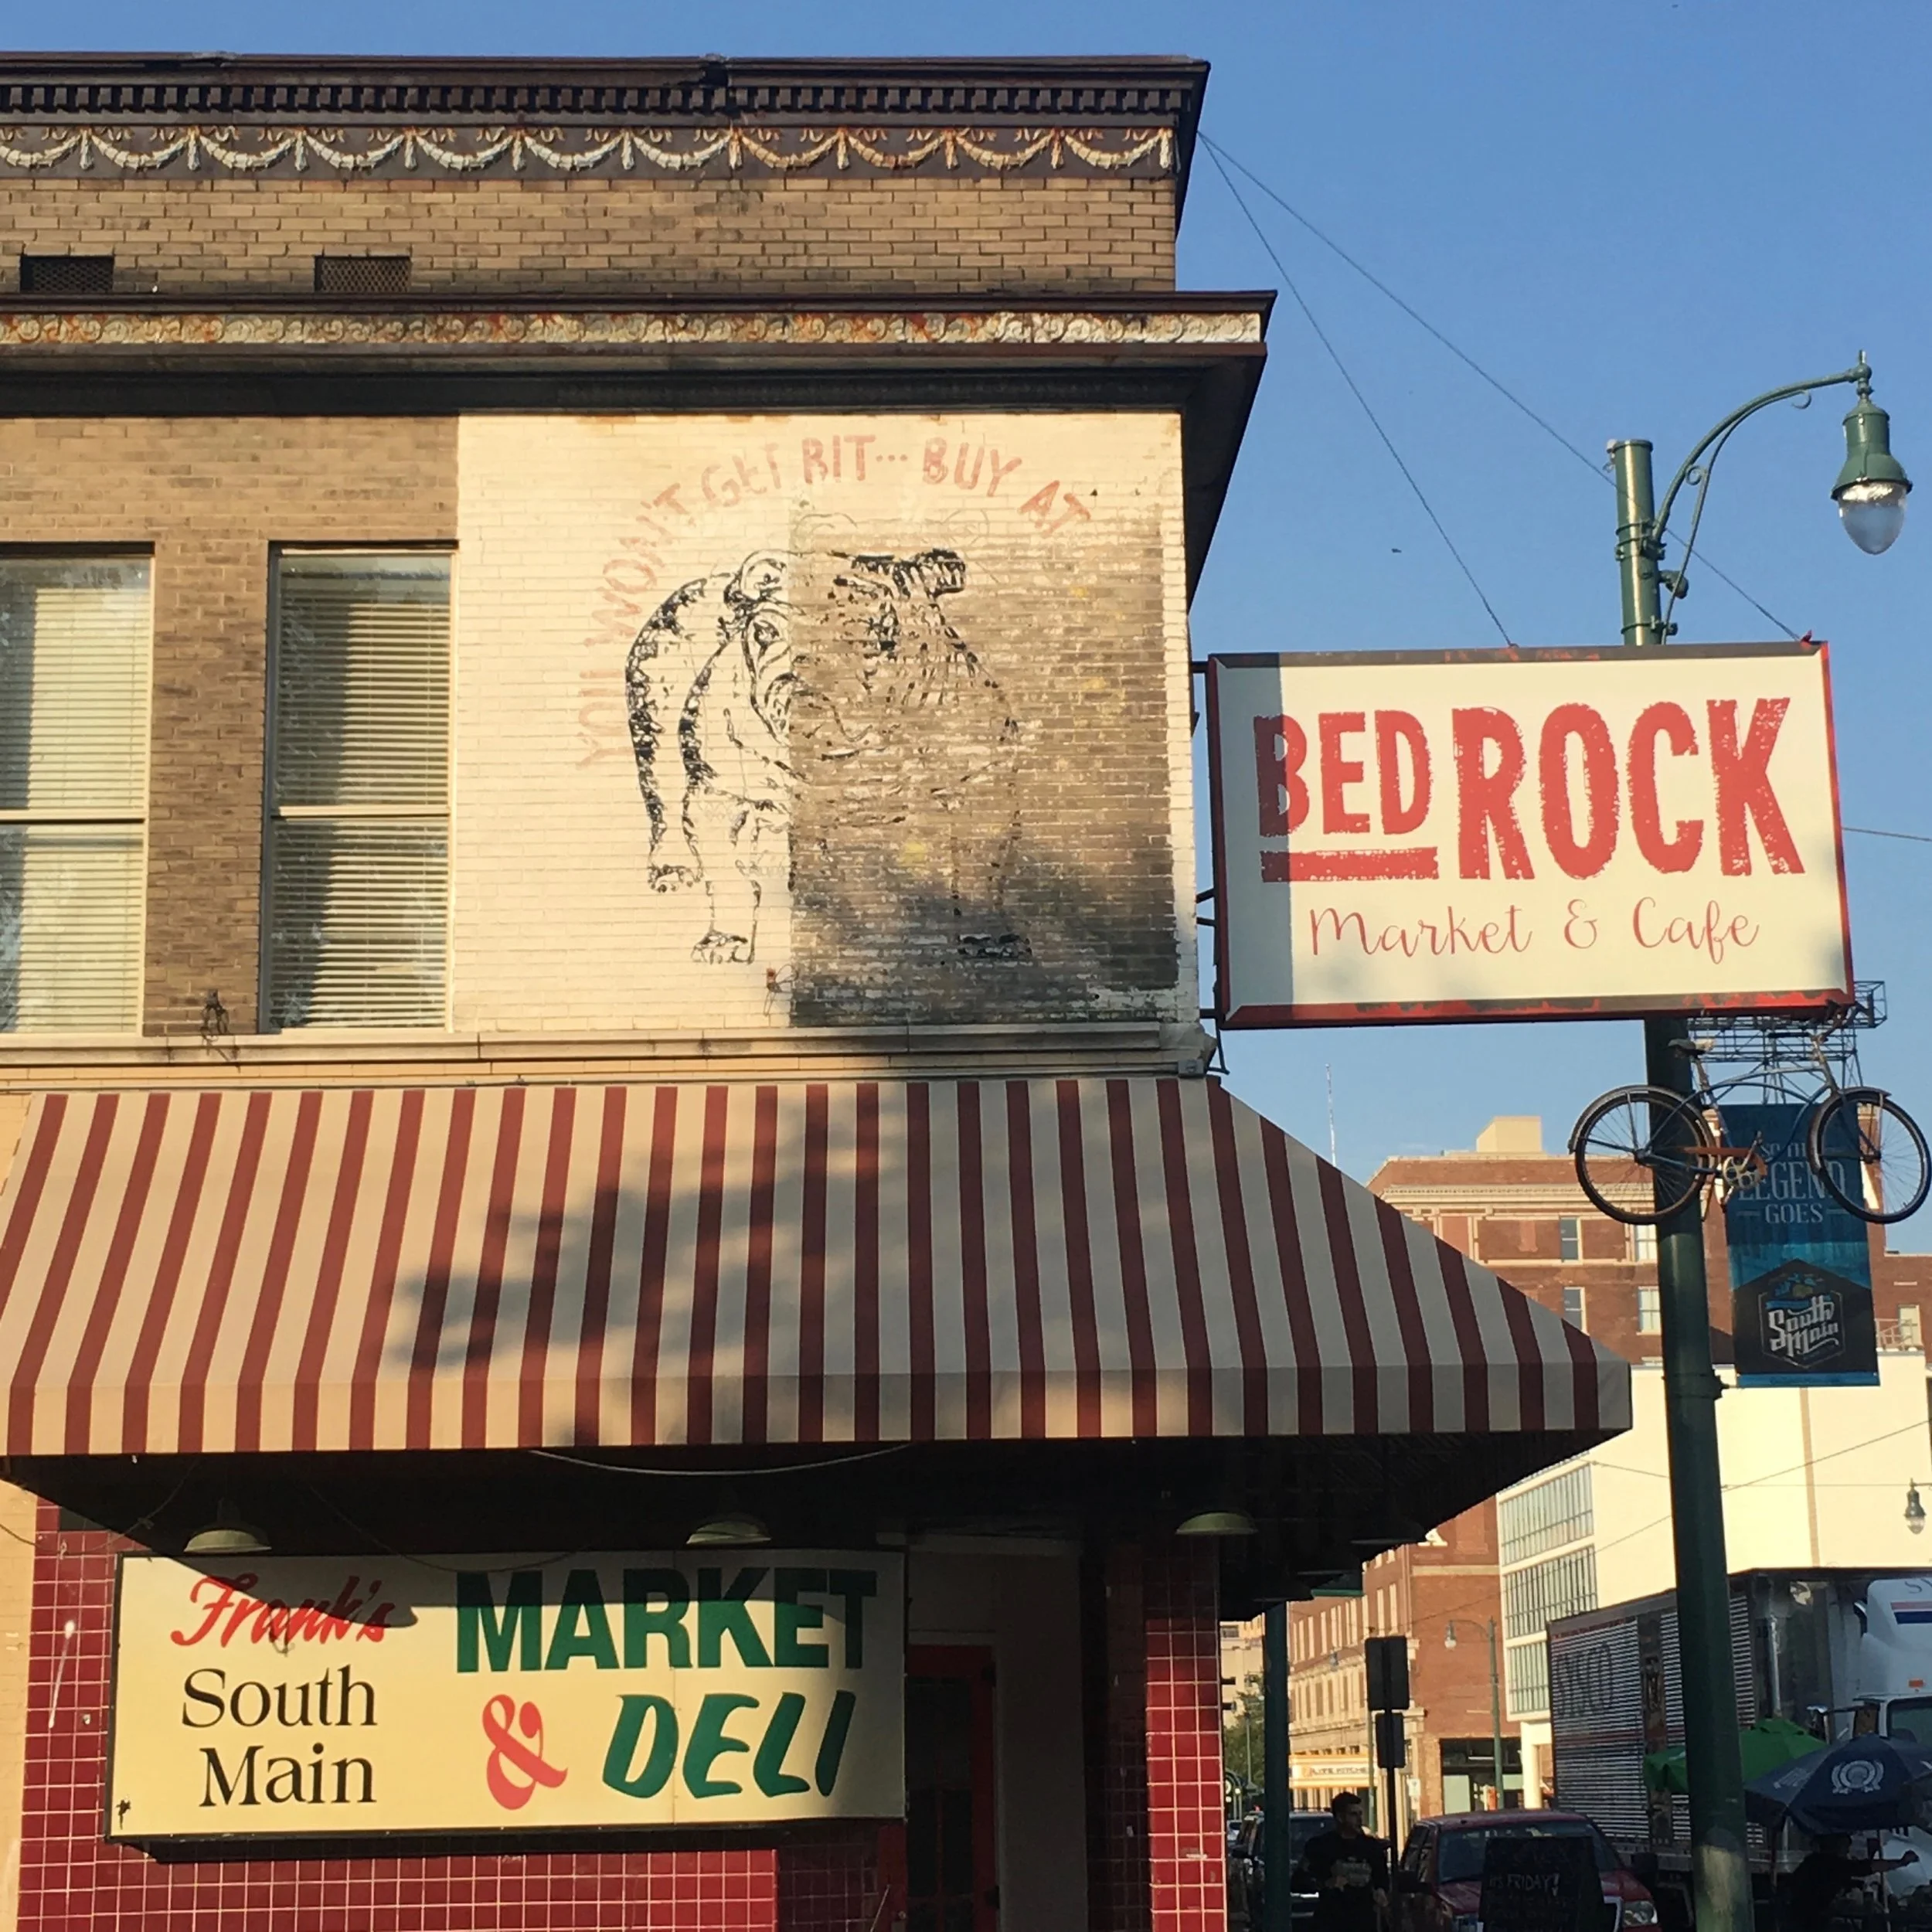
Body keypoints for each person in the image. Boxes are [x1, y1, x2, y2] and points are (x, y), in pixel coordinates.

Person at [1295, 1792, 1390, 1932]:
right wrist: (1325, 1884)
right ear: (1340, 1817)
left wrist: (1381, 1892)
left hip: (1366, 1921)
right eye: (1353, 1815)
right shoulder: (1321, 1847)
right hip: (1333, 1921)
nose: (1359, 1819)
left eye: (1360, 1814)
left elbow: (1382, 1879)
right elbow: (1298, 1881)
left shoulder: (1372, 1848)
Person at [1786, 1834, 1917, 1932]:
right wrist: (1901, 1862)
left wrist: (1852, 1885)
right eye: (1846, 1847)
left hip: (1799, 1915)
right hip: (1810, 1918)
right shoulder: (1834, 1864)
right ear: (1836, 1847)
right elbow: (1868, 1867)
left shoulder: (1811, 1862)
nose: (1848, 1851)